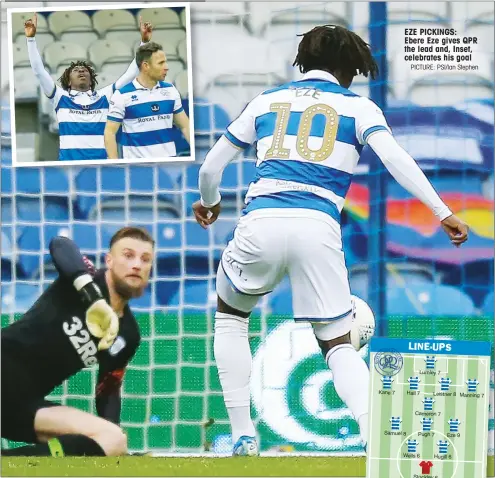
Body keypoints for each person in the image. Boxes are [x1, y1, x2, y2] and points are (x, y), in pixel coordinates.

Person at [192, 25, 469, 456]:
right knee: (338, 343)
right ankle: (374, 437)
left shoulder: (266, 101)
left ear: (302, 61)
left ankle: (244, 435)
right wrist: (442, 211)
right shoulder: (359, 107)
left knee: (230, 317)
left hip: (261, 217)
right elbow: (395, 158)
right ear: (350, 67)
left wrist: (209, 203)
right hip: (317, 225)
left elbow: (211, 166)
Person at [1, 227, 154, 457]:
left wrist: (109, 449)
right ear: (109, 260)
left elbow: (108, 391)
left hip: (23, 407)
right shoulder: (84, 278)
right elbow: (60, 244)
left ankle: (11, 463)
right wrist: (92, 296)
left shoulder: (128, 334)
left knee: (113, 440)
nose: (137, 265)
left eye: (145, 259)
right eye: (128, 255)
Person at [24, 13, 153, 161]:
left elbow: (131, 74)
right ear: (69, 81)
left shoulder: (105, 96)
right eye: (76, 70)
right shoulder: (60, 97)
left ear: (91, 80)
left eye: (84, 70)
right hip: (69, 169)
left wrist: (144, 43)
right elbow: (38, 71)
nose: (81, 71)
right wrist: (31, 39)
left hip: (101, 169)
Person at [104, 42, 190, 160]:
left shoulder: (170, 90)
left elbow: (185, 126)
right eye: (161, 63)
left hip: (169, 165)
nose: (166, 67)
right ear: (145, 66)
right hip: (137, 168)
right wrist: (114, 164)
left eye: (165, 62)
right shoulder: (122, 95)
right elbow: (110, 133)